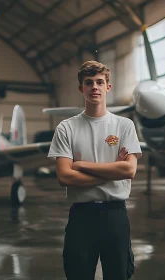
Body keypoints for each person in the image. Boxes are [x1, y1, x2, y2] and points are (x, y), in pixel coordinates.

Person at [48, 60, 142, 280]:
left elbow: (129, 170)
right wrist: (111, 173)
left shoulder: (124, 126)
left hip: (115, 214)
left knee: (118, 275)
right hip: (82, 217)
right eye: (88, 83)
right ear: (81, 88)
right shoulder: (66, 128)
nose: (94, 87)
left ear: (108, 87)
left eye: (100, 82)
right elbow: (64, 176)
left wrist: (81, 166)